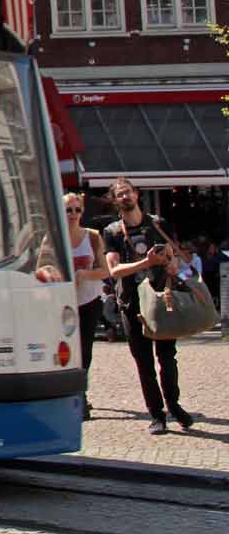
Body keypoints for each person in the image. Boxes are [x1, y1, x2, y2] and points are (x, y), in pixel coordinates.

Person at [102, 178, 193, 434]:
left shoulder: (157, 223)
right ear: (115, 200)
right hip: (132, 302)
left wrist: (171, 265)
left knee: (168, 357)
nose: (125, 197)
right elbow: (115, 269)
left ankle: (174, 405)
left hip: (162, 298)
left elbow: (172, 255)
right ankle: (157, 415)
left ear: (137, 194)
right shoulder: (112, 232)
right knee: (144, 362)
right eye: (119, 194)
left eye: (127, 192)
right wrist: (146, 263)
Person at [62, 193, 109, 418]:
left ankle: (80, 395)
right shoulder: (54, 237)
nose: (73, 214)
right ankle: (67, 394)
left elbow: (105, 271)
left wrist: (85, 274)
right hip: (62, 305)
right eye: (68, 210)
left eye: (77, 210)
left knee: (85, 351)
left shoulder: (92, 237)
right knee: (66, 352)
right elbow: (42, 266)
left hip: (89, 300)